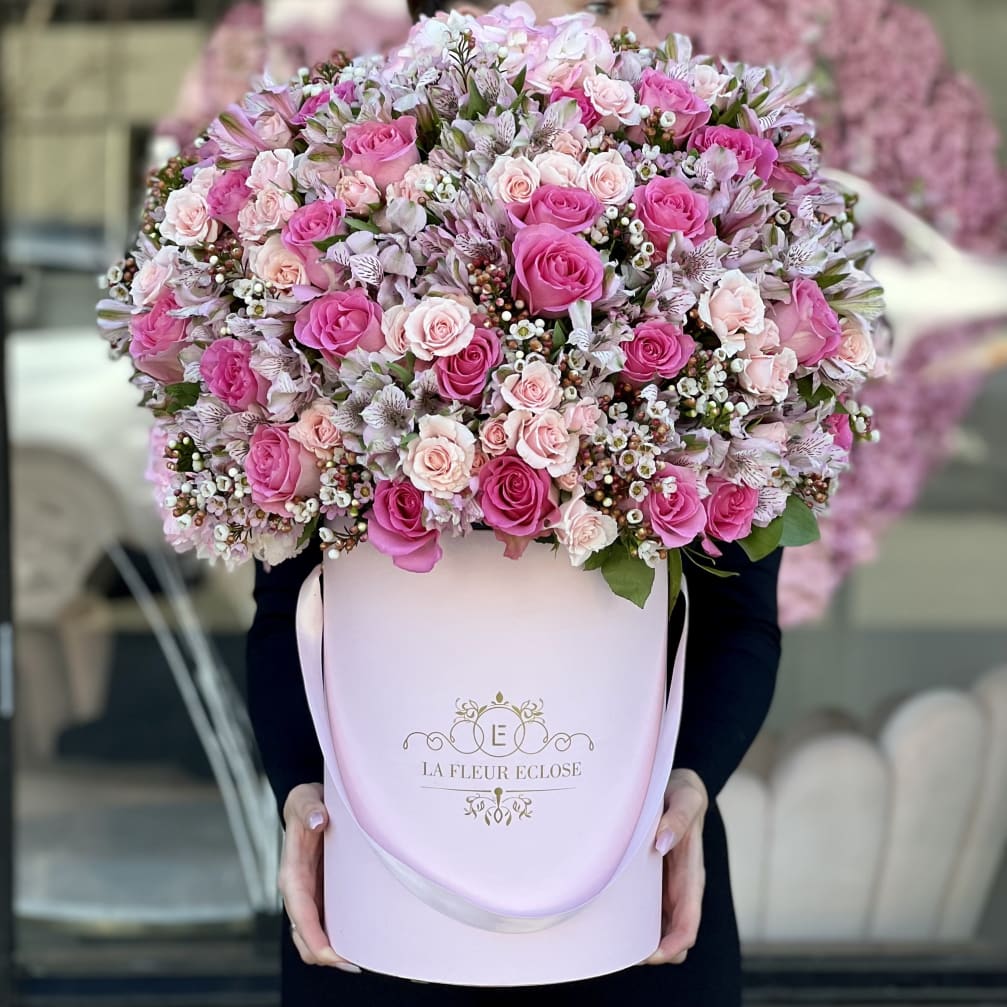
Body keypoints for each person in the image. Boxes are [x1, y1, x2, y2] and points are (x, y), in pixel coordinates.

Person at [245, 1, 784, 1003]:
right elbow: (287, 605)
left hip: (625, 888)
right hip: (382, 902)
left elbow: (737, 617)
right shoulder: (351, 212)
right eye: (611, 7)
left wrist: (691, 783)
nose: (637, 23)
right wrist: (300, 796)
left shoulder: (698, 231)